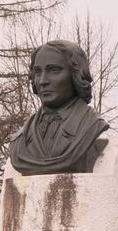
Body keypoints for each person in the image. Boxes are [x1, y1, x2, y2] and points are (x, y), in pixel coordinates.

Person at [8, 40, 109, 174]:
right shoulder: (20, 139)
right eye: (37, 72)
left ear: (76, 74)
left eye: (54, 70)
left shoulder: (91, 125)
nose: (43, 81)